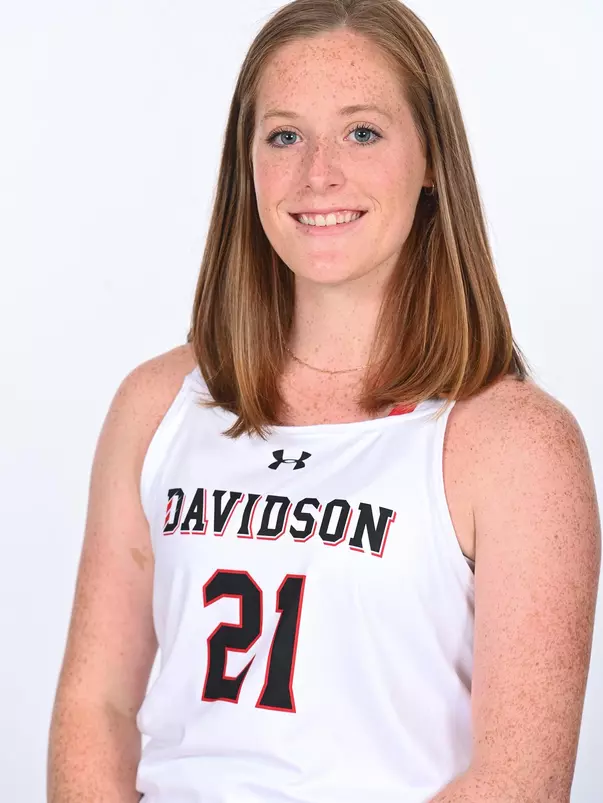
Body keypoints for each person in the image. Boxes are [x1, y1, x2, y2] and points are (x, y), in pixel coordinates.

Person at [47, 1, 601, 801]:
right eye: (284, 137)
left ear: (431, 160)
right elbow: (95, 703)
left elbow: (519, 780)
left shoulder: (516, 443)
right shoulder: (156, 405)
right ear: (246, 164)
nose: (318, 174)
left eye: (362, 132)